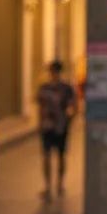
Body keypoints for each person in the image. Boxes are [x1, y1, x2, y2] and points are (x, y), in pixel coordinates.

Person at [36, 60, 76, 200]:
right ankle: (47, 185)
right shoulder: (44, 88)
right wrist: (40, 122)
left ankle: (59, 183)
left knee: (61, 156)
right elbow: (40, 107)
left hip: (61, 125)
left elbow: (72, 106)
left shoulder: (66, 88)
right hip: (48, 126)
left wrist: (69, 119)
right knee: (46, 155)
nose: (53, 74)